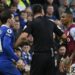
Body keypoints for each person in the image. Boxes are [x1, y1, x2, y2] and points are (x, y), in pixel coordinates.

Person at [15, 4, 66, 75]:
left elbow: (23, 36)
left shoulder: (31, 23)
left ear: (33, 13)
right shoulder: (51, 22)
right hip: (51, 56)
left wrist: (15, 46)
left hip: (38, 55)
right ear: (42, 11)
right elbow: (64, 36)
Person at [0, 10, 25, 75]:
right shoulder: (8, 30)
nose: (14, 21)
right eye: (13, 18)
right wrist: (17, 59)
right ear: (9, 20)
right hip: (5, 62)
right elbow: (6, 46)